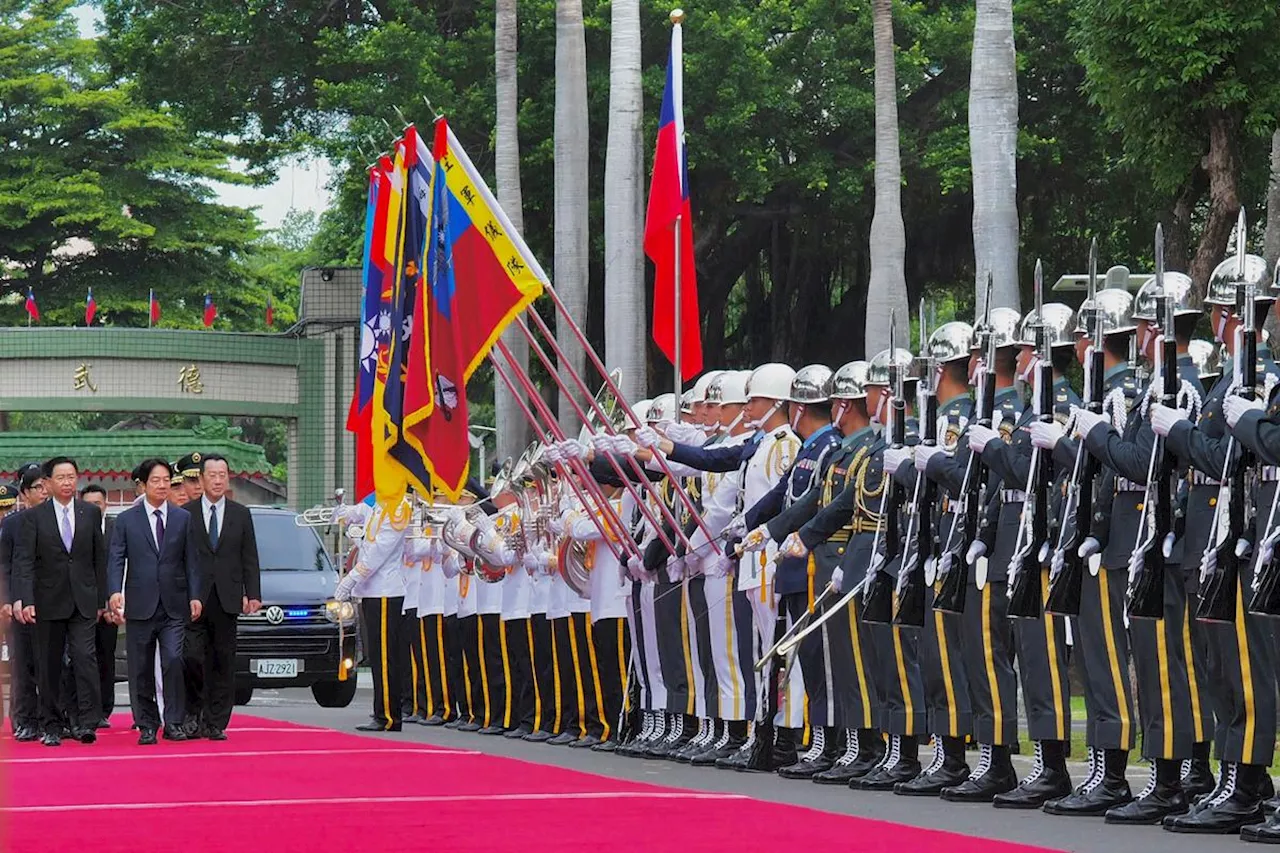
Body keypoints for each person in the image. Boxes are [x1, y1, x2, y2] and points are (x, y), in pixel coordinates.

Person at [11, 457, 109, 746]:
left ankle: (84, 721)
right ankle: (51, 723)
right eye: (61, 477)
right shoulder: (34, 517)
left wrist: (101, 597)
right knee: (49, 665)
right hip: (47, 600)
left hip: (83, 600)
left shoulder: (90, 513)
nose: (67, 482)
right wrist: (25, 598)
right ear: (48, 483)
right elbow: (24, 561)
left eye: (71, 477)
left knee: (84, 658)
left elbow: (98, 558)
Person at [108, 458, 202, 745]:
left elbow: (192, 562)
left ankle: (173, 722)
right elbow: (116, 559)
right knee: (140, 666)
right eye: (155, 481)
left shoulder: (182, 518)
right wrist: (114, 591)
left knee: (174, 660)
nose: (162, 486)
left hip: (174, 604)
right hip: (140, 603)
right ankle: (147, 723)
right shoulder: (126, 520)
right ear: (144, 485)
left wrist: (195, 595)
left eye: (166, 481)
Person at [183, 453, 261, 740]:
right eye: (212, 475)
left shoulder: (241, 514)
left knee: (223, 659)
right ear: (201, 479)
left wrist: (252, 593)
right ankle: (193, 713)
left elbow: (249, 557)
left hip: (227, 598)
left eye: (222, 474)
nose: (217, 479)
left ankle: (216, 721)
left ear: (228, 478)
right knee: (191, 657)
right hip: (195, 598)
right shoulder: (186, 514)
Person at [335, 496, 410, 732]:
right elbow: (369, 539)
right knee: (377, 656)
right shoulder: (379, 506)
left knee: (386, 657)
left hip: (386, 591)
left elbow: (379, 552)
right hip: (372, 591)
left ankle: (389, 715)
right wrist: (346, 518)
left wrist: (351, 578)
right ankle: (382, 711)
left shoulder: (399, 507)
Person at [2, 465, 44, 741]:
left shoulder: (60, 519)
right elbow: (5, 565)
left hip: (54, 603)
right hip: (20, 605)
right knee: (23, 665)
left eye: (45, 486)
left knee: (54, 665)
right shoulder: (12, 524)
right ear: (25, 493)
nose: (43, 492)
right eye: (37, 487)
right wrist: (7, 600)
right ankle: (25, 720)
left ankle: (54, 718)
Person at [75, 484, 118, 729]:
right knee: (82, 658)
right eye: (88, 504)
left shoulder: (115, 529)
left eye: (98, 504)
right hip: (82, 607)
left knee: (105, 658)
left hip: (110, 607)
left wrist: (111, 601)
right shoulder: (76, 529)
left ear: (105, 505)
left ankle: (104, 708)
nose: (93, 508)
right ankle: (85, 709)